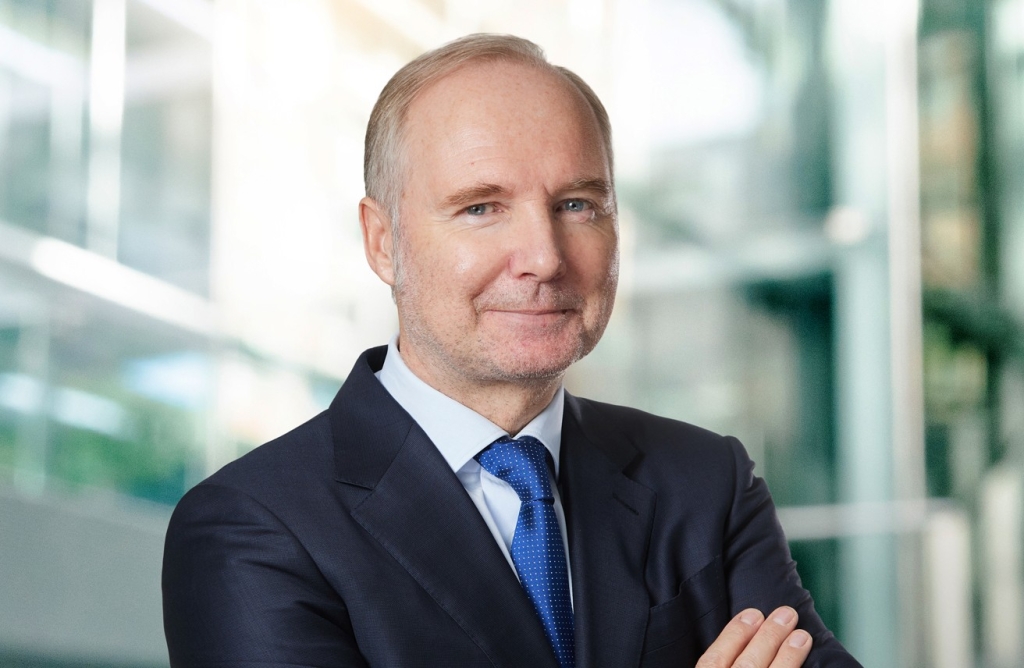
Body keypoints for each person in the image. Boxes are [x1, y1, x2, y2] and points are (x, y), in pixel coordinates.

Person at [162, 34, 860, 668]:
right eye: (481, 208)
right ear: (382, 242)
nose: (544, 257)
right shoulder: (253, 527)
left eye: (577, 205)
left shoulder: (705, 482)